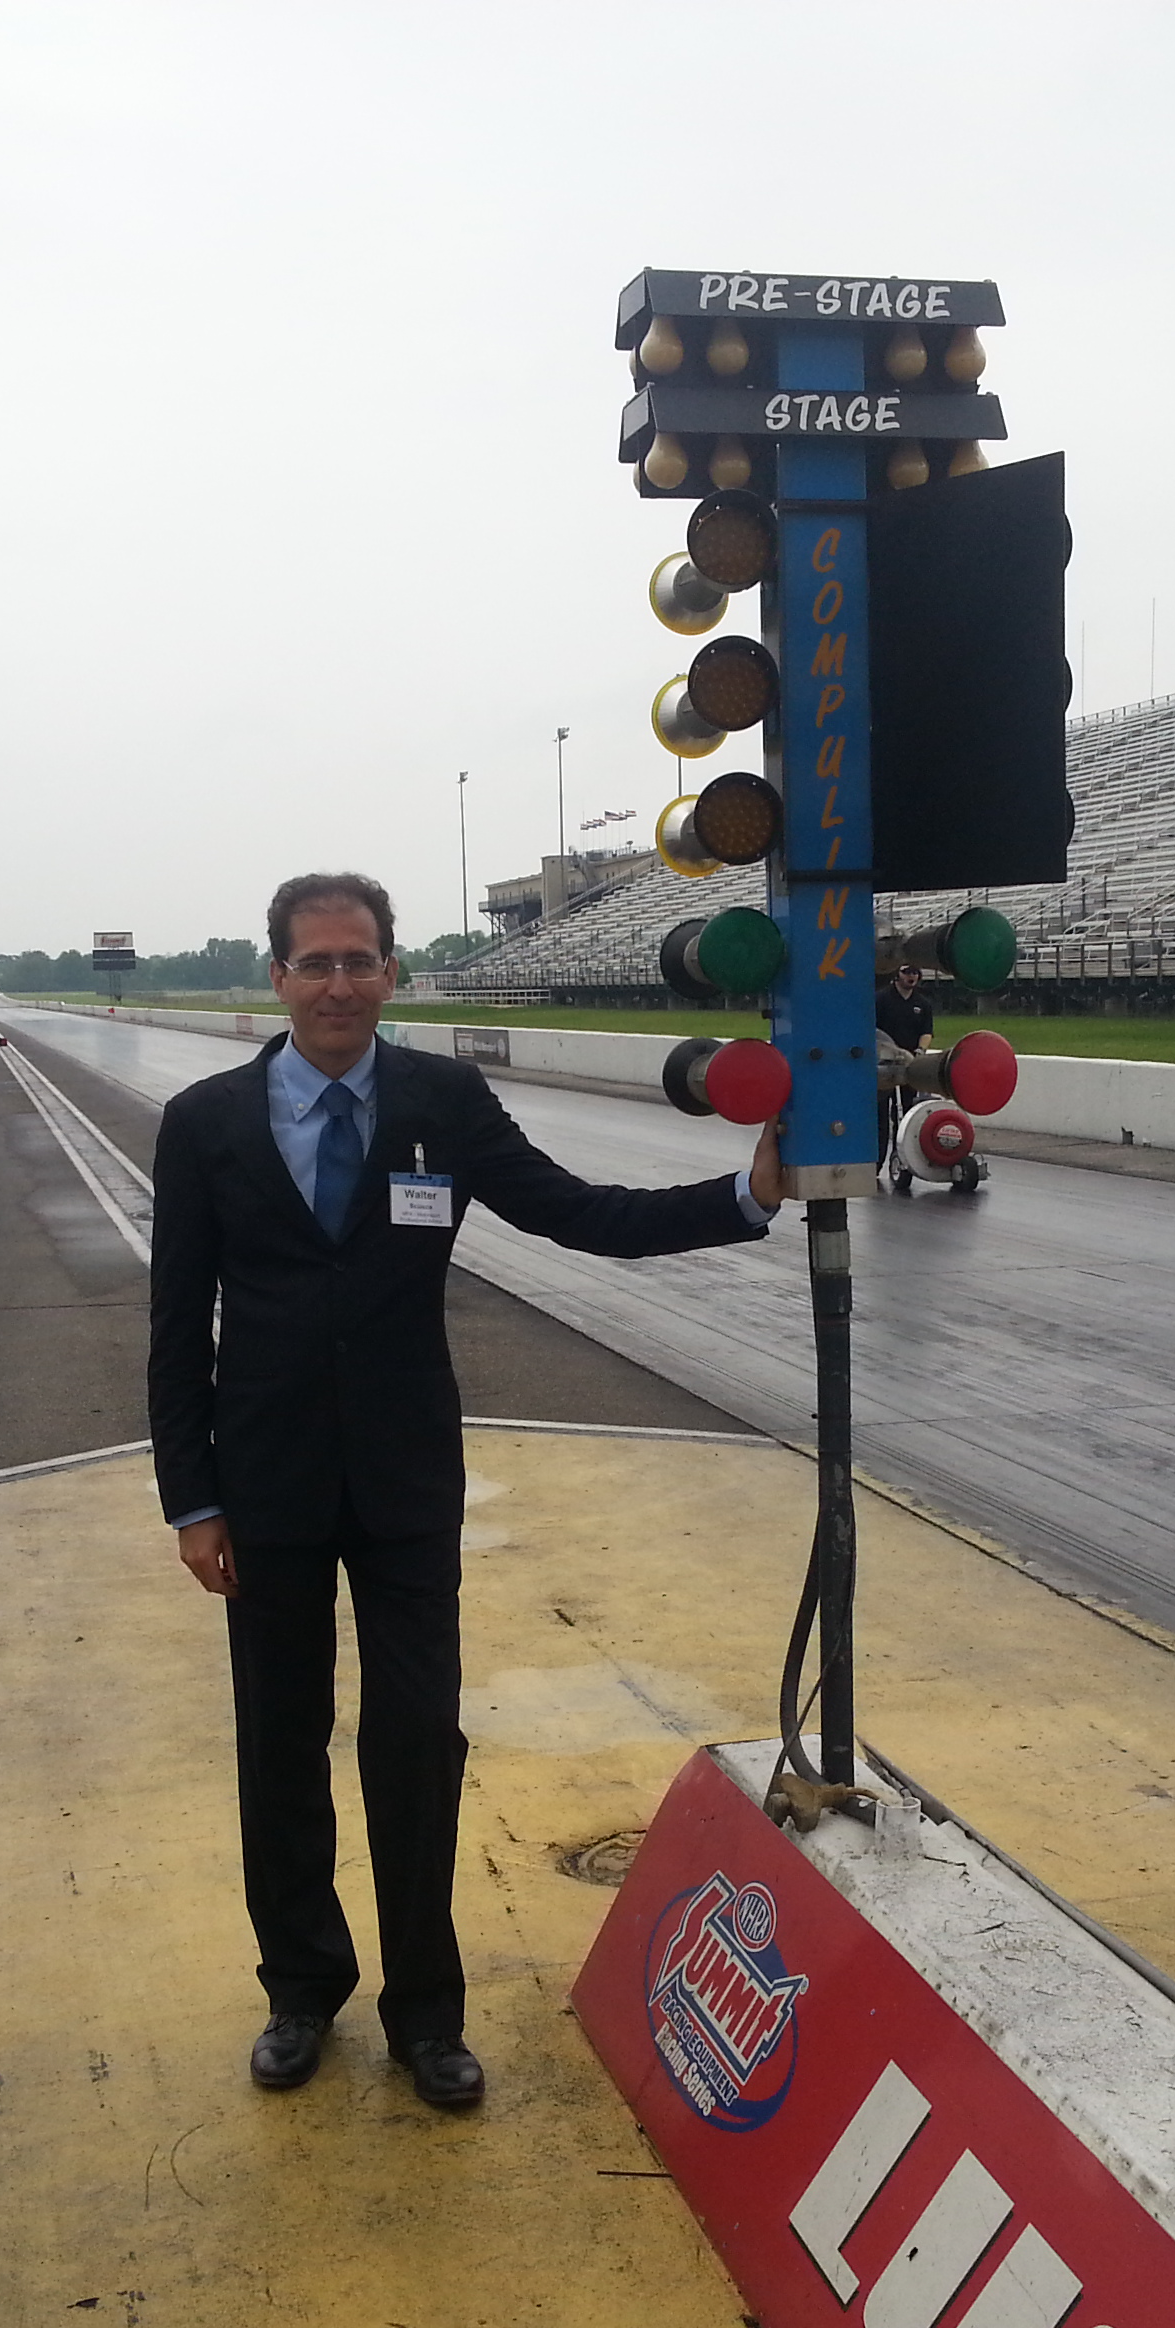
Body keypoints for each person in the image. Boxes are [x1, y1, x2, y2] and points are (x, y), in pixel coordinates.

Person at [147, 872, 782, 2109]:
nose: (340, 984)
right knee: (279, 1744)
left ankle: (427, 2013)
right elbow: (177, 1329)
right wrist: (193, 1500)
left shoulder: (442, 1101)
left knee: (417, 1744)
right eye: (317, 962)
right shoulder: (205, 1122)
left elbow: (575, 1214)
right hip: (265, 1486)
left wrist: (746, 1196)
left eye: (361, 960)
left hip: (405, 1484)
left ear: (392, 973)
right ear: (278, 977)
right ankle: (300, 1990)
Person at [875, 962, 936, 1182]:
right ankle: (876, 1161)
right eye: (907, 972)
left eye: (915, 973)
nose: (911, 977)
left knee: (906, 1114)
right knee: (881, 1115)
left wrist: (920, 1050)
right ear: (897, 974)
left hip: (910, 1065)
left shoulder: (922, 1003)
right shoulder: (881, 999)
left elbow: (927, 1031)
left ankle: (902, 1159)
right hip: (884, 1066)